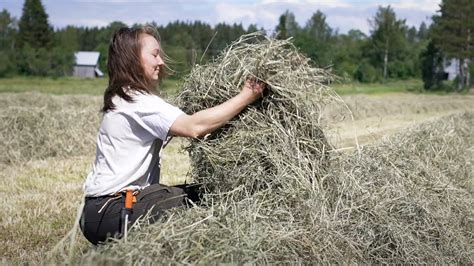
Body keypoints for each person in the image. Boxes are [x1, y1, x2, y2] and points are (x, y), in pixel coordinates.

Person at [79, 25, 266, 245]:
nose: (161, 62)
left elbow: (184, 120)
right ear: (131, 58)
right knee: (212, 200)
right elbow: (194, 127)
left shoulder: (126, 97)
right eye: (154, 54)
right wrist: (247, 95)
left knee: (203, 193)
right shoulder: (138, 102)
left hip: (102, 212)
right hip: (113, 211)